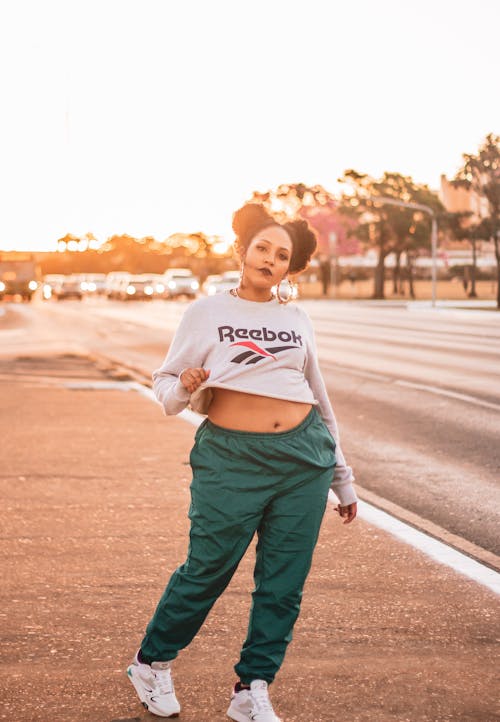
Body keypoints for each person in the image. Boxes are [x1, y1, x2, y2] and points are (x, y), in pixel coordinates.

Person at [127, 203, 358, 721]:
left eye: (283, 256)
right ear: (242, 251)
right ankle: (152, 662)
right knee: (208, 569)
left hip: (304, 458)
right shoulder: (207, 313)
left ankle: (251, 688)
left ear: (290, 269)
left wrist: (343, 478)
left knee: (284, 581)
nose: (270, 260)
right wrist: (184, 385)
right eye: (263, 248)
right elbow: (164, 388)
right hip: (231, 459)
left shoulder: (297, 319)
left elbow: (320, 399)